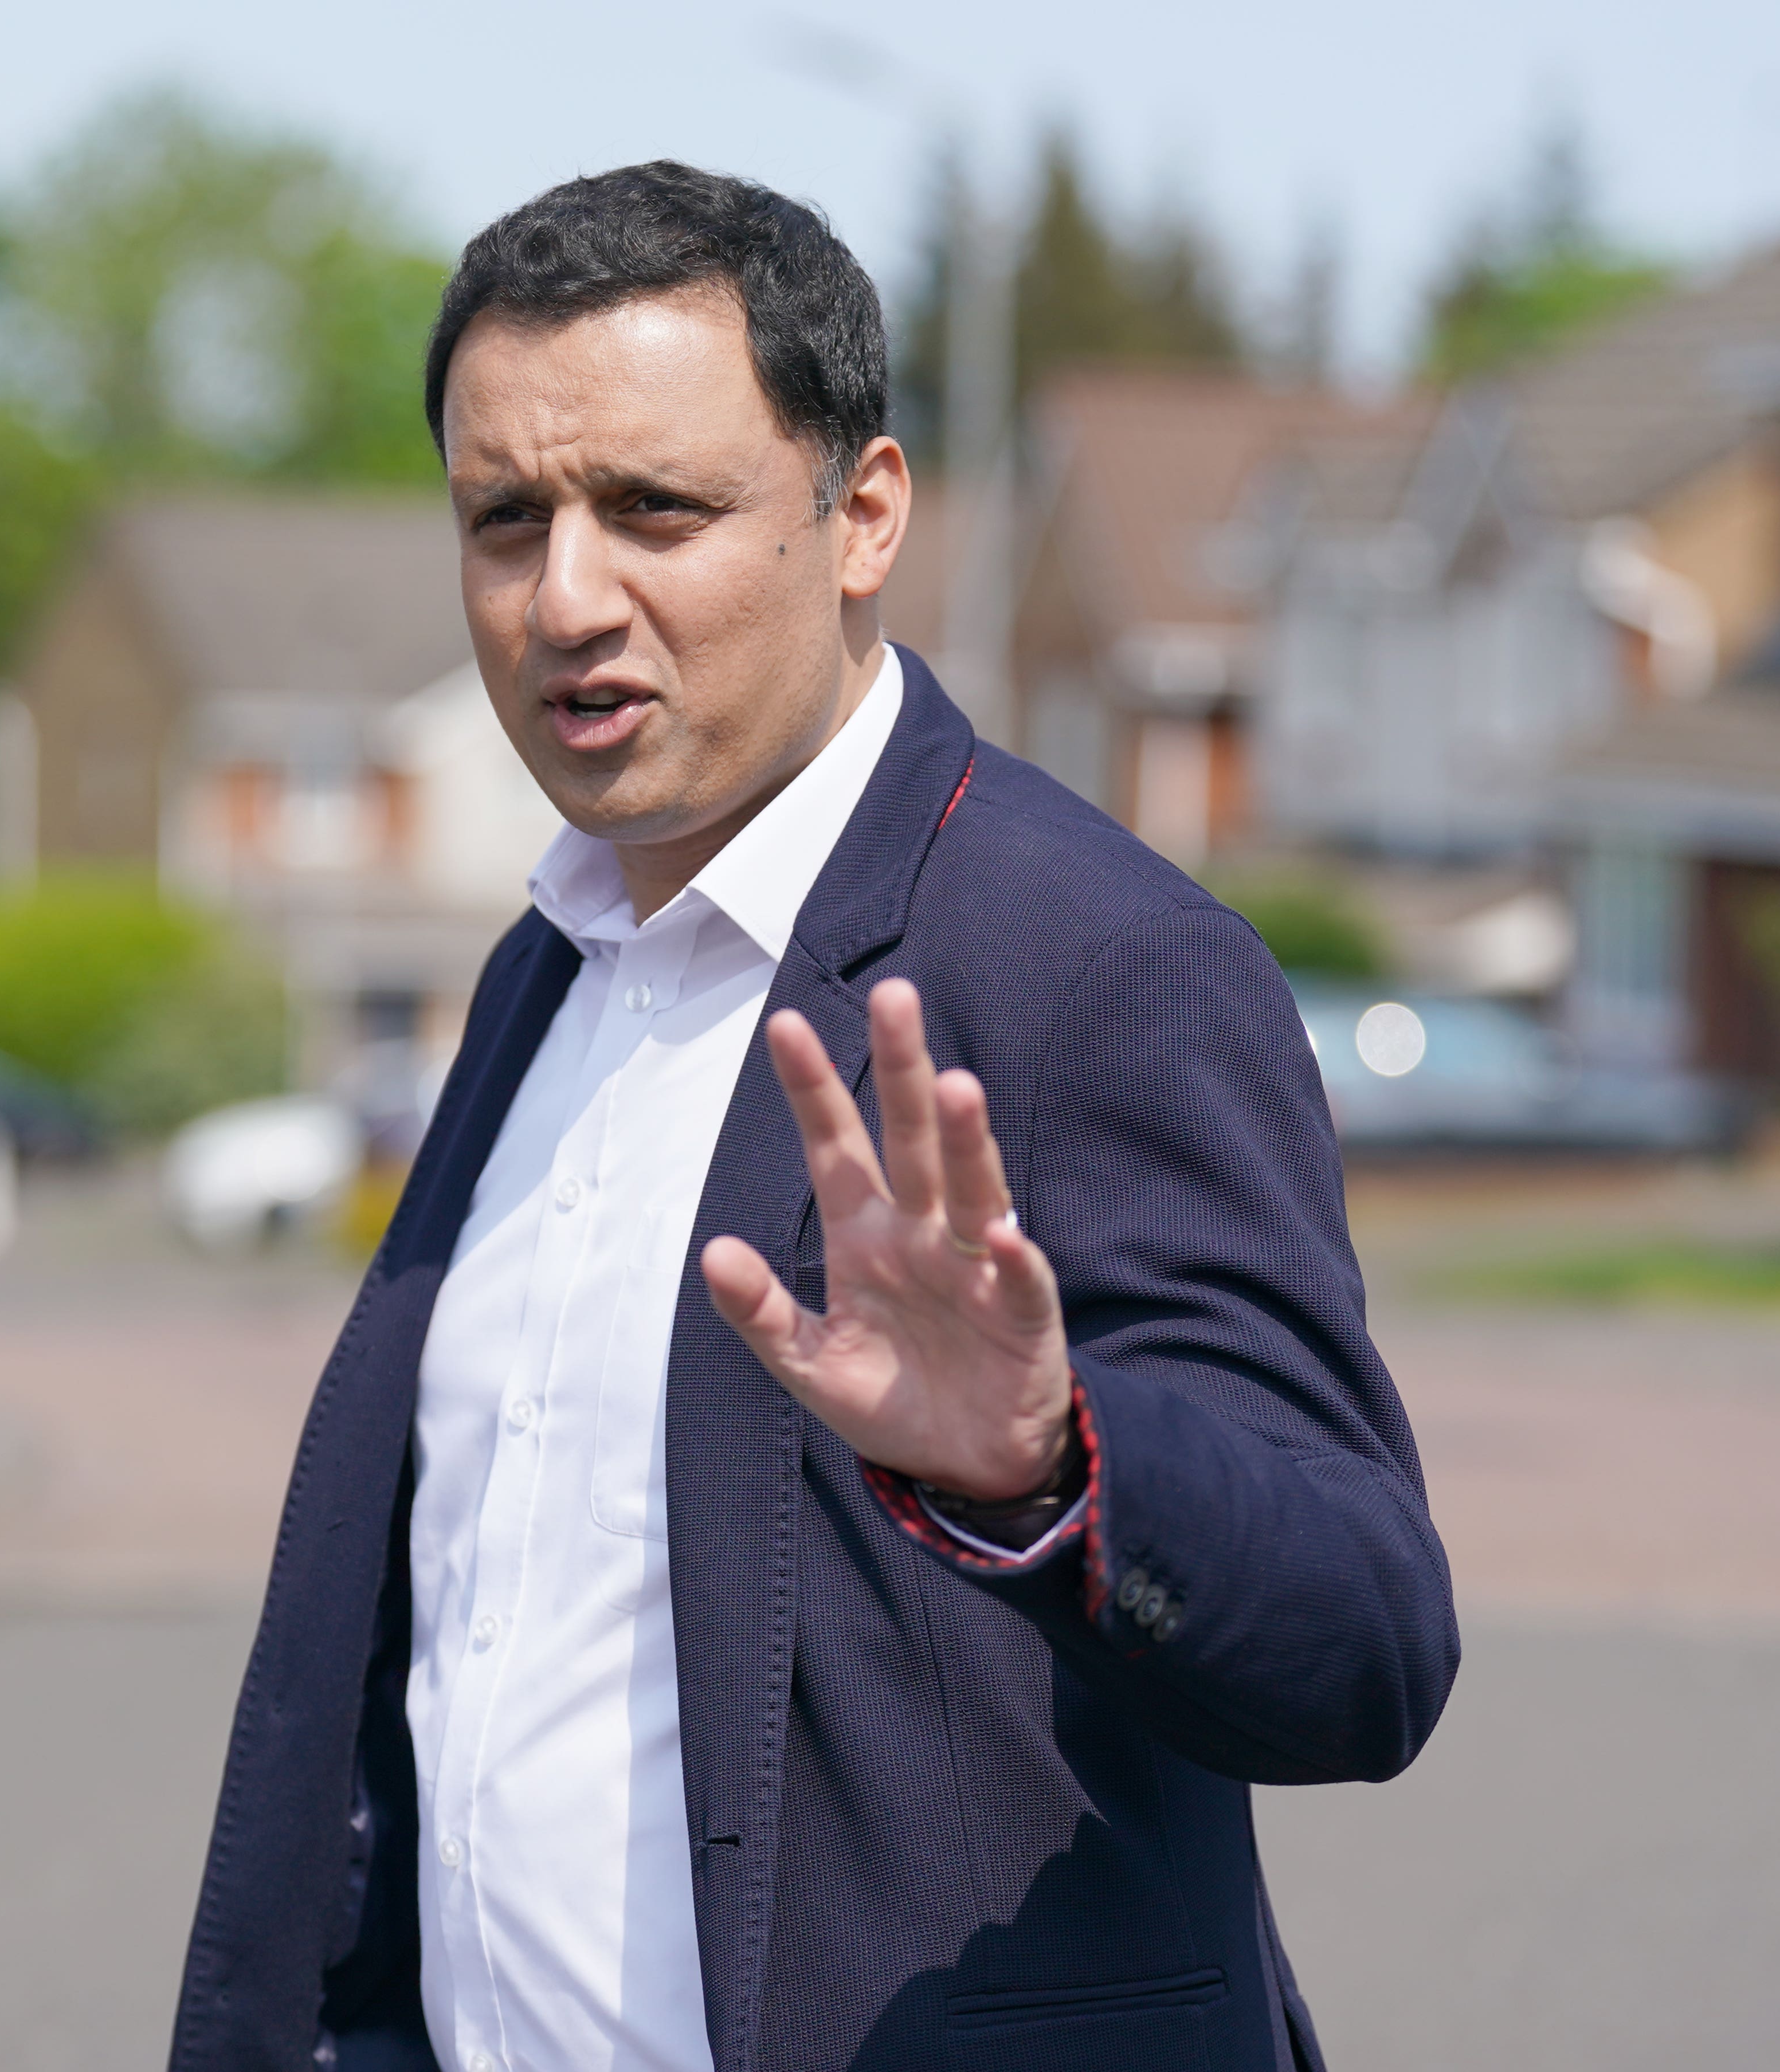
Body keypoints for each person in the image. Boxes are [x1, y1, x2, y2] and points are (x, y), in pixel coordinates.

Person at [169, 161, 1455, 2072]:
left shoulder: (1099, 959)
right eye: (503, 519)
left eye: (656, 511)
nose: (566, 596)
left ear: (865, 516)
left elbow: (1364, 1643)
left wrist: (1051, 1465)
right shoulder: (553, 959)